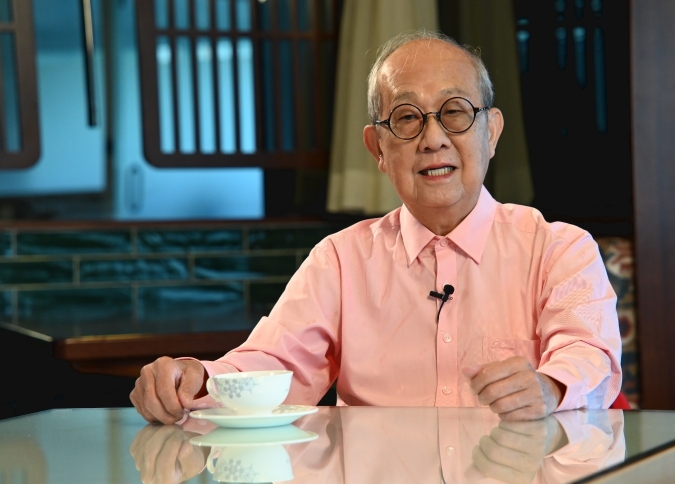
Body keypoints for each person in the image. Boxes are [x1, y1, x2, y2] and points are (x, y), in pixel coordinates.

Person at [130, 29, 622, 425]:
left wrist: (547, 387)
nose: (433, 139)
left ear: (490, 132)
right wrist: (194, 379)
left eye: (454, 112)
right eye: (407, 118)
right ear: (378, 149)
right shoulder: (340, 261)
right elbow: (274, 364)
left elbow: (589, 354)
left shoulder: (559, 249)